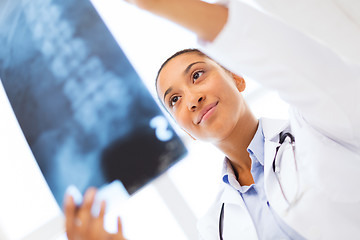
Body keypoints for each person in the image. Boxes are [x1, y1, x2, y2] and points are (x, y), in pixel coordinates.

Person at [64, 0, 360, 239]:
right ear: (184, 130)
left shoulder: (318, 128)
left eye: (197, 75)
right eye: (174, 100)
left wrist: (160, 4)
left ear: (237, 77)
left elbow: (300, 66)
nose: (192, 100)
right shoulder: (213, 227)